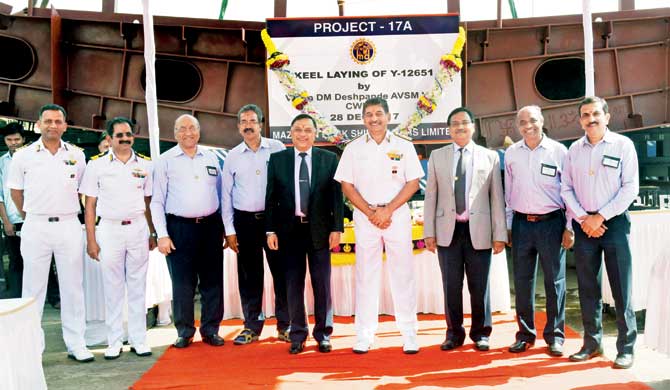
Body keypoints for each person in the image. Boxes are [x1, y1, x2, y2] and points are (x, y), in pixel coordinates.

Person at [334, 97, 423, 354]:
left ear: (388, 116)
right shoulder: (352, 149)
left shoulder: (403, 146)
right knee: (366, 275)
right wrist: (371, 213)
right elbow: (347, 186)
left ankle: (409, 333)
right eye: (369, 115)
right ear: (363, 119)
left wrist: (388, 210)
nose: (374, 119)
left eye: (378, 114)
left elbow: (413, 183)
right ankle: (364, 334)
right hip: (365, 216)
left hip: (396, 215)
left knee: (403, 274)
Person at [7, 104, 92, 362]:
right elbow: (15, 192)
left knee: (73, 287)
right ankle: (32, 347)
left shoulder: (78, 155)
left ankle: (76, 343)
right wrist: (29, 215)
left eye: (58, 121)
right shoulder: (23, 156)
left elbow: (82, 192)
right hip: (36, 225)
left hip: (68, 224)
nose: (52, 125)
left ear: (65, 126)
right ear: (39, 123)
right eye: (48, 121)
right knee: (33, 288)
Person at [561, 96, 639, 369]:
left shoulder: (623, 146)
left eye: (596, 114)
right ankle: (592, 343)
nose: (590, 119)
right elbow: (565, 189)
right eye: (585, 115)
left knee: (621, 287)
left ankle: (626, 348)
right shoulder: (573, 150)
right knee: (587, 287)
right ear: (580, 119)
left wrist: (600, 216)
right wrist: (584, 218)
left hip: (614, 224)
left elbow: (630, 188)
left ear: (607, 116)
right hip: (584, 227)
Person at [423, 107, 506, 352]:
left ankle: (481, 333)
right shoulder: (438, 156)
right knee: (451, 285)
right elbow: (431, 197)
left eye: (465, 123)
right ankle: (453, 334)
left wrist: (499, 234)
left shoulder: (489, 157)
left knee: (479, 286)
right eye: (455, 124)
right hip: (448, 230)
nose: (460, 127)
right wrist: (429, 232)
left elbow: (496, 198)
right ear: (449, 129)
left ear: (473, 127)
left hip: (478, 229)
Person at [265, 114, 343, 354]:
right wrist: (270, 230)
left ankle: (323, 333)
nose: (303, 134)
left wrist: (337, 228)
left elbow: (336, 198)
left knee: (322, 284)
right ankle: (298, 333)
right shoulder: (277, 160)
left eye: (308, 130)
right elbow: (271, 198)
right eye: (298, 129)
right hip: (289, 231)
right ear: (290, 133)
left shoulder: (329, 159)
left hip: (319, 230)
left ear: (315, 134)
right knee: (292, 284)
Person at [80, 117, 157, 359]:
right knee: (112, 287)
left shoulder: (146, 165)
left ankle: (138, 339)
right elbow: (89, 205)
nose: (125, 139)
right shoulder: (96, 166)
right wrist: (91, 239)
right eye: (119, 135)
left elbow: (149, 202)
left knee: (137, 286)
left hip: (137, 229)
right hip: (110, 230)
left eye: (128, 134)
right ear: (109, 138)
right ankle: (114, 341)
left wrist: (152, 231)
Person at [150, 114, 225, 348]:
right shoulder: (165, 161)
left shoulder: (212, 158)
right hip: (179, 228)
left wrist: (225, 228)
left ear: (199, 132)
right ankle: (184, 331)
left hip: (211, 227)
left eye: (192, 128)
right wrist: (161, 234)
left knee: (213, 282)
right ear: (174, 133)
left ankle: (211, 330)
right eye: (182, 129)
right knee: (182, 283)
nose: (188, 133)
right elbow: (156, 201)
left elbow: (222, 195)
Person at [504, 105, 573, 356]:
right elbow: (508, 193)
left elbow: (568, 191)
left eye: (532, 120)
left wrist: (569, 227)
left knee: (555, 281)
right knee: (522, 282)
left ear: (542, 121)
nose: (528, 125)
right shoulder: (511, 153)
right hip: (522, 224)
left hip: (552, 223)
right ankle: (524, 335)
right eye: (522, 121)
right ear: (517, 125)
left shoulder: (559, 152)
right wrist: (510, 225)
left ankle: (555, 336)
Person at [221, 104, 290, 345]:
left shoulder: (278, 148)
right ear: (239, 127)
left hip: (275, 222)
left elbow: (287, 188)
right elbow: (226, 196)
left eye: (253, 120)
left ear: (261, 124)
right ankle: (251, 326)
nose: (248, 125)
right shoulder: (232, 156)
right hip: (245, 222)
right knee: (249, 277)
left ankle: (286, 325)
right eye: (243, 122)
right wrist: (229, 230)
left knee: (281, 273)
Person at [0, 123, 27, 298]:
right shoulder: (1, 162)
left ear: (24, 139)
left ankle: (53, 297)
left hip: (33, 217)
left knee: (40, 261)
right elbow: (0, 195)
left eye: (17, 139)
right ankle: (18, 297)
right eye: (9, 139)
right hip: (12, 219)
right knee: (16, 260)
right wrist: (6, 221)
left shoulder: (33, 159)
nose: (14, 143)